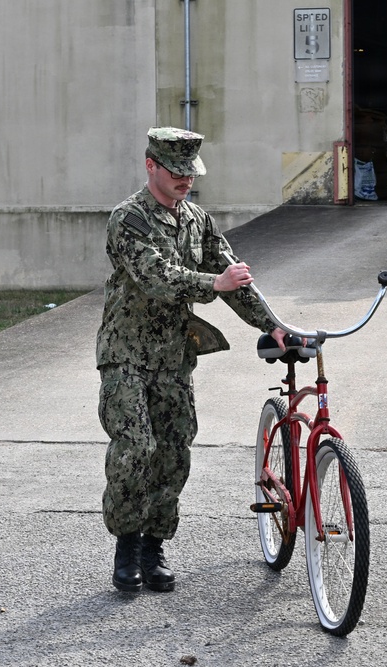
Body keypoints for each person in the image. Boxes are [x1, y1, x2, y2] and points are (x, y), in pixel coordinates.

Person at [95, 127, 289, 593]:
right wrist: (213, 284)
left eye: (191, 172)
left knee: (173, 452)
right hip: (125, 353)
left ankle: (153, 545)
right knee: (136, 448)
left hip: (173, 357)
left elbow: (233, 276)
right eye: (177, 172)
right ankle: (126, 545)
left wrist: (273, 326)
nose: (186, 180)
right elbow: (156, 279)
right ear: (151, 166)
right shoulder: (129, 218)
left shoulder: (198, 220)